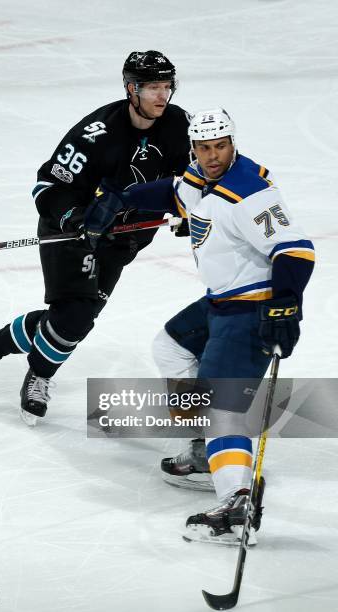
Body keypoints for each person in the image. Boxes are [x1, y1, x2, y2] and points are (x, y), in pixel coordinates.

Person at [88, 108, 315, 543]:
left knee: (222, 407)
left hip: (252, 309)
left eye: (221, 146)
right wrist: (123, 199)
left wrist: (285, 305)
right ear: (194, 148)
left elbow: (296, 251)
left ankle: (236, 501)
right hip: (219, 303)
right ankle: (199, 448)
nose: (213, 156)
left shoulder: (250, 192)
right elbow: (174, 192)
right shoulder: (198, 178)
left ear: (233, 143)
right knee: (172, 346)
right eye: (205, 148)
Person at [0, 50, 191, 426]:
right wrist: (74, 218)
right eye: (153, 88)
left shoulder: (178, 125)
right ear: (132, 89)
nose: (162, 96)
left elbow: (190, 177)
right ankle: (38, 374)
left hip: (124, 239)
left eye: (166, 86)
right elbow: (47, 187)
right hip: (73, 236)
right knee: (75, 316)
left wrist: (192, 208)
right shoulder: (97, 134)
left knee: (77, 317)